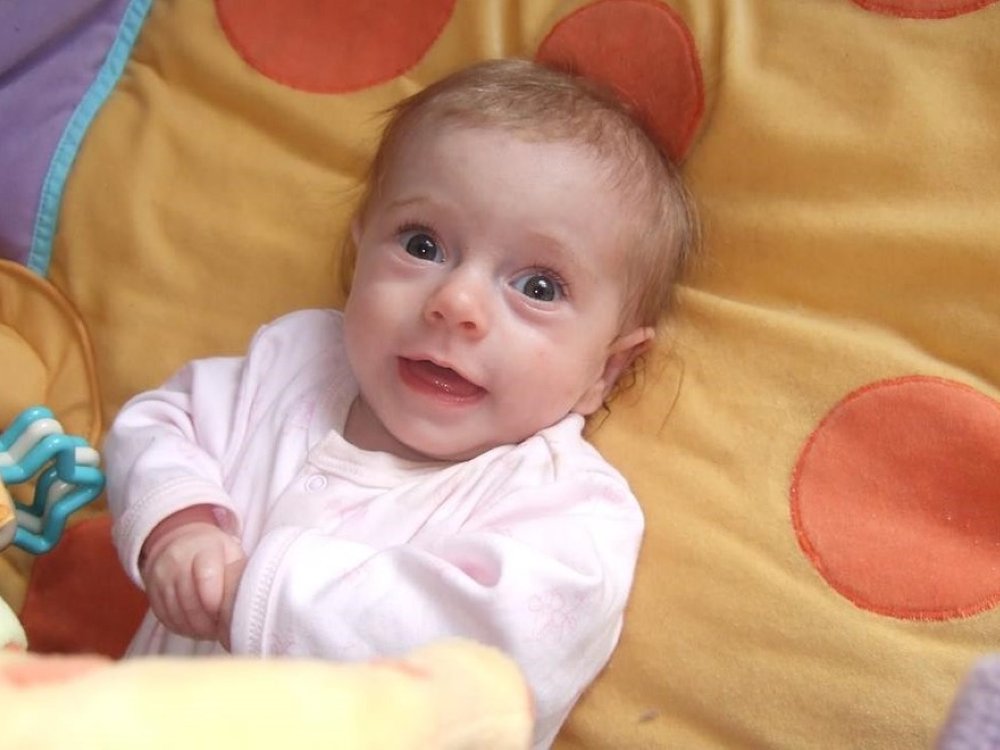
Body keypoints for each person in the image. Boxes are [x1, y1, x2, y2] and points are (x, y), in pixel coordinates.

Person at [105, 58, 698, 747]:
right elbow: (158, 421)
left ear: (608, 367)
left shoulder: (568, 510)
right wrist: (178, 524)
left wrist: (263, 595)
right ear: (360, 256)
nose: (456, 303)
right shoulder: (294, 363)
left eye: (539, 287)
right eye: (423, 244)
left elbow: (488, 666)